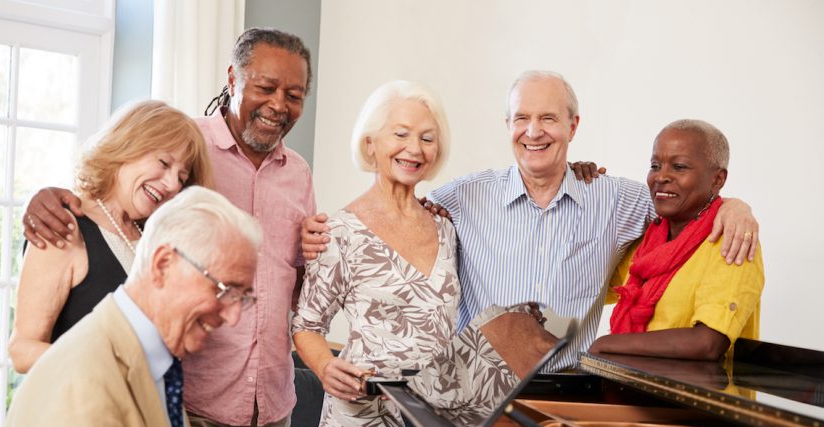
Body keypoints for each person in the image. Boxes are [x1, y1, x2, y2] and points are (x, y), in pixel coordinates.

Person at [302, 70, 759, 373]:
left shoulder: (617, 199)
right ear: (508, 125)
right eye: (522, 118)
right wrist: (322, 234)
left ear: (572, 126)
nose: (534, 131)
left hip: (570, 403)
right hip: (475, 405)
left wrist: (736, 206)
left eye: (548, 118)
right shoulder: (462, 197)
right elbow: (398, 212)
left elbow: (684, 205)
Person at [21, 28, 316, 427]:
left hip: (271, 404)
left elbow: (294, 278)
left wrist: (317, 254)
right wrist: (44, 196)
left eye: (294, 95)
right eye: (266, 87)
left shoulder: (298, 173)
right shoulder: (187, 143)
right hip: (192, 400)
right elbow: (110, 189)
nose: (279, 104)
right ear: (233, 78)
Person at [0, 187, 365, 427]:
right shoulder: (84, 384)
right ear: (164, 264)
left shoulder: (153, 365)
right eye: (225, 290)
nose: (233, 316)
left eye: (242, 297)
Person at [291, 80, 465, 427]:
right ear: (370, 143)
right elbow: (307, 326)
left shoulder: (446, 229)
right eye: (400, 134)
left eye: (427, 138)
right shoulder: (338, 232)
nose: (414, 148)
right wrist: (326, 368)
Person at [8, 100, 212, 373]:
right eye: (164, 163)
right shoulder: (64, 227)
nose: (172, 184)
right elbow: (22, 351)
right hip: (80, 400)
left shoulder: (153, 241)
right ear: (128, 146)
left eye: (181, 177)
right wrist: (107, 363)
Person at [589, 120, 764, 360]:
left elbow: (708, 343)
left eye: (679, 167)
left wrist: (606, 344)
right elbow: (583, 287)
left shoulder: (732, 241)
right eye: (655, 165)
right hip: (631, 381)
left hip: (697, 385)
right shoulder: (646, 242)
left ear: (717, 179)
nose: (661, 176)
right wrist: (583, 190)